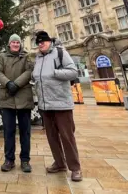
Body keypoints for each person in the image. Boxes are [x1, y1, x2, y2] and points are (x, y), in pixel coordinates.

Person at [32, 30, 83, 182]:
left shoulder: (60, 53)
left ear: (50, 41)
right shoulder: (38, 58)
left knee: (67, 137)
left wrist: (54, 72)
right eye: (38, 42)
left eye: (43, 41)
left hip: (61, 103)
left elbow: (73, 72)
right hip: (45, 105)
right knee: (52, 136)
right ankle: (60, 163)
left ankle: (75, 168)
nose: (41, 44)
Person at [0, 33, 34, 173]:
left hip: (23, 96)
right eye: (13, 42)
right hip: (7, 97)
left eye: (18, 42)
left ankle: (25, 160)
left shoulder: (26, 56)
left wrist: (16, 84)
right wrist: (8, 83)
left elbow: (29, 72)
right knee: (8, 131)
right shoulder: (2, 56)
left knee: (25, 131)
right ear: (9, 44)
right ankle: (9, 159)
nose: (16, 45)